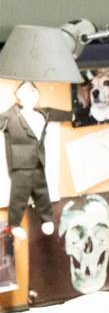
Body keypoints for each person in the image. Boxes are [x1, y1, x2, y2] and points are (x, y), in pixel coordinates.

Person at [0, 81, 73, 240]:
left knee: (42, 191)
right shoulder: (10, 115)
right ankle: (14, 225)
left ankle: (47, 219)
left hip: (38, 161)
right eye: (27, 91)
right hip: (20, 163)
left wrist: (73, 115)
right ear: (19, 95)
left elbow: (60, 114)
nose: (31, 94)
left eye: (33, 90)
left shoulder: (43, 113)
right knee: (19, 194)